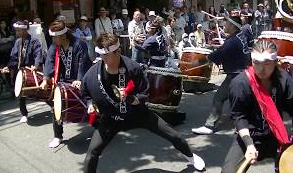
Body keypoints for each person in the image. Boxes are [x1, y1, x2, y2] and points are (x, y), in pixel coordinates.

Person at [81, 33, 205, 173]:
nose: (103, 59)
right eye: (101, 55)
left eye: (107, 55)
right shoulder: (93, 74)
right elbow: (85, 92)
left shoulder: (133, 68)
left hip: (138, 114)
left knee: (173, 134)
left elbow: (144, 93)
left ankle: (190, 156)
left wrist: (132, 99)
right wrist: (91, 104)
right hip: (112, 118)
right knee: (92, 153)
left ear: (118, 51)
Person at [222, 40, 293, 172]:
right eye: (256, 63)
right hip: (249, 135)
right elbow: (239, 117)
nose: (261, 69)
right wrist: (249, 145)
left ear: (276, 63)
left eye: (267, 63)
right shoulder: (240, 83)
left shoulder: (283, 79)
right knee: (228, 171)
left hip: (275, 134)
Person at [191, 16, 250, 135]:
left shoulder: (232, 41)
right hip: (244, 73)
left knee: (220, 97)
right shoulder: (240, 37)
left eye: (227, 23)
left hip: (236, 75)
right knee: (237, 101)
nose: (224, 25)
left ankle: (210, 126)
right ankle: (241, 126)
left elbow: (217, 55)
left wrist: (197, 62)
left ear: (233, 26)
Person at [41, 20, 93, 148]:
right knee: (56, 107)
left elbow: (83, 63)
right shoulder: (55, 46)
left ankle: (101, 124)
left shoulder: (79, 44)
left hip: (80, 79)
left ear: (63, 36)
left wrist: (79, 79)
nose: (53, 40)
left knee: (89, 106)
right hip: (63, 81)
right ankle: (58, 136)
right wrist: (46, 78)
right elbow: (50, 62)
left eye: (55, 37)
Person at [1, 20, 43, 123]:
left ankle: (50, 104)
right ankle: (24, 113)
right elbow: (14, 57)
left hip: (31, 69)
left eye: (19, 31)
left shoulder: (34, 41)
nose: (17, 33)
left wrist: (36, 66)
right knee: (20, 93)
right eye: (16, 31)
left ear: (25, 30)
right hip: (20, 70)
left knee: (40, 91)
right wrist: (8, 67)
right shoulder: (18, 42)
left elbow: (38, 54)